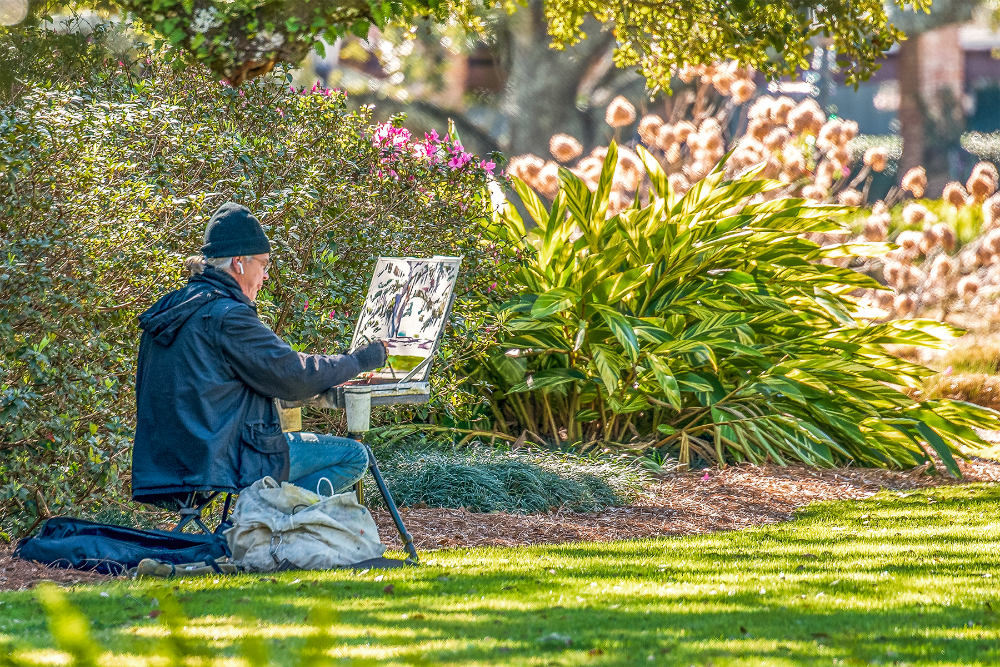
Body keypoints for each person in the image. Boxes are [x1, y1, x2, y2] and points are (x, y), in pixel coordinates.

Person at [131, 202, 387, 505]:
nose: (265, 276)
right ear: (239, 262)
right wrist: (358, 360)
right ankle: (267, 528)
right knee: (353, 456)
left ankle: (259, 527)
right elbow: (295, 375)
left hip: (167, 464)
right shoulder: (227, 316)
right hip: (224, 458)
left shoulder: (171, 310)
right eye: (263, 265)